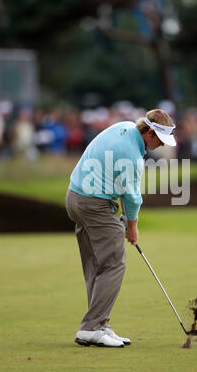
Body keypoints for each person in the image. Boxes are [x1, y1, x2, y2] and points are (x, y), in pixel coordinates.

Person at [65, 109, 176, 348]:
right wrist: (132, 227)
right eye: (158, 139)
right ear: (148, 131)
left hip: (75, 197)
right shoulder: (132, 157)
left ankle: (99, 324)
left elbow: (119, 185)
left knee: (96, 264)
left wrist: (124, 217)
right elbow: (132, 197)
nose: (159, 145)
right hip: (94, 203)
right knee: (114, 263)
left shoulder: (124, 127)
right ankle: (92, 328)